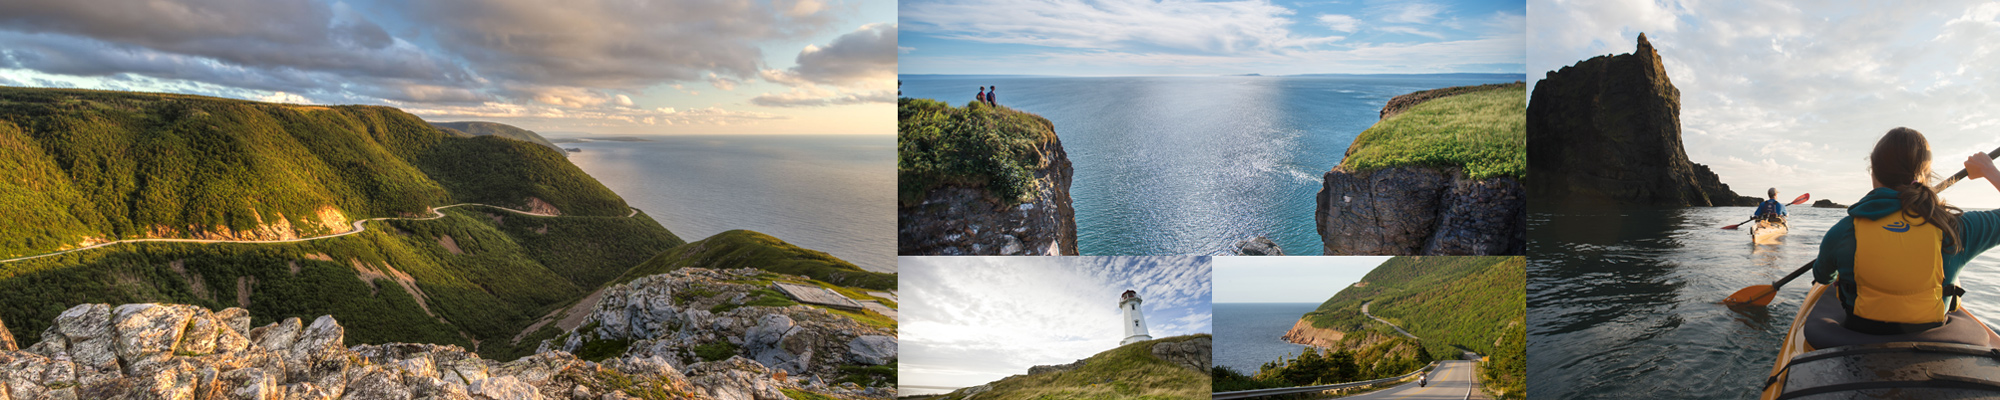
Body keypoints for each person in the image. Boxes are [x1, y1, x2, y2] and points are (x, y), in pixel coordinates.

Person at [1813, 127, 2000, 334]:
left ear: (1873, 173)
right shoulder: (1956, 228)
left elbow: (1823, 277)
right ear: (1926, 175)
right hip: (1932, 339)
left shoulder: (1843, 231)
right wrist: (1989, 171)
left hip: (1859, 334)